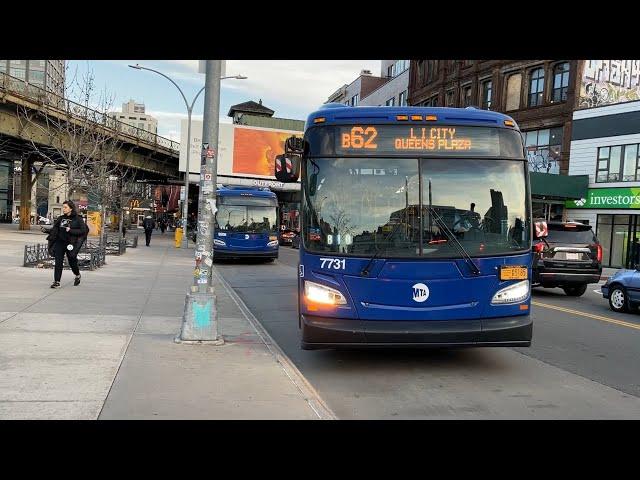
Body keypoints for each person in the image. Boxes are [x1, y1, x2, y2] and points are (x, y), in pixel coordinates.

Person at [47, 200, 89, 289]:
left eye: (65, 207)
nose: (64, 209)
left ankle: (77, 274)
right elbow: (55, 229)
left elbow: (83, 231)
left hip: (71, 243)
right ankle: (57, 282)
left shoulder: (78, 219)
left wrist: (71, 230)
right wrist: (47, 231)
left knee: (72, 261)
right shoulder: (61, 218)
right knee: (58, 262)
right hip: (60, 242)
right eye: (63, 207)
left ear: (71, 208)